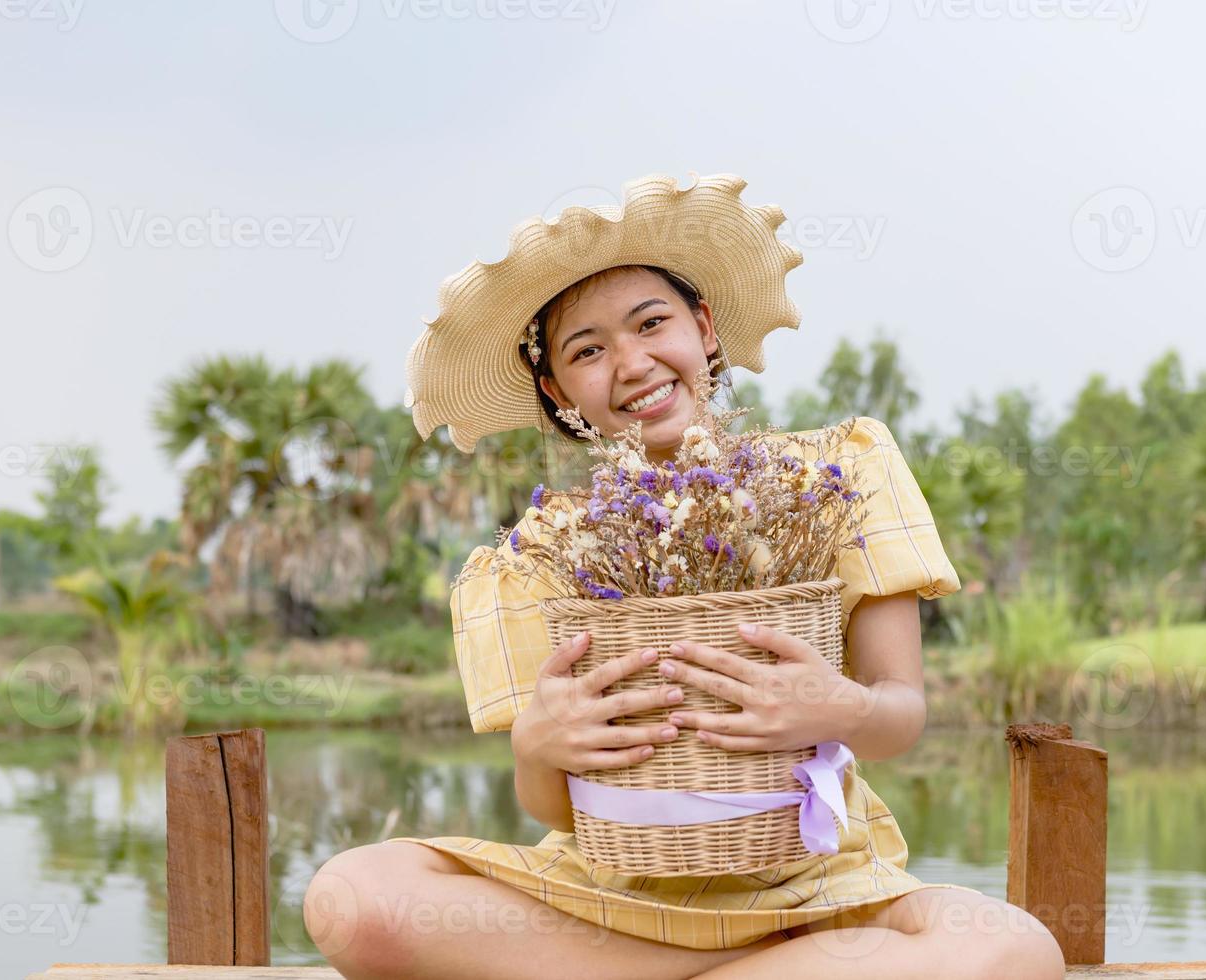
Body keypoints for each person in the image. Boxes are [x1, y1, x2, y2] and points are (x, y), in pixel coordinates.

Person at [303, 173, 1065, 979]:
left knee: (1014, 949)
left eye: (650, 323)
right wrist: (537, 746)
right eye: (587, 350)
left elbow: (899, 712)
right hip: (609, 902)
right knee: (355, 894)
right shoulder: (542, 549)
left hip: (812, 891)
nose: (630, 364)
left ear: (704, 329)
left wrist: (836, 706)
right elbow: (556, 805)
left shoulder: (834, 475)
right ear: (557, 390)